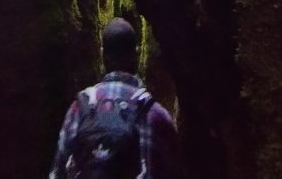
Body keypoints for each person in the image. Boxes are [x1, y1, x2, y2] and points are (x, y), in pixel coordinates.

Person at [49, 17, 184, 178]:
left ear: (102, 55)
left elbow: (56, 172)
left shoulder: (80, 108)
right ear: (136, 55)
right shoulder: (154, 114)